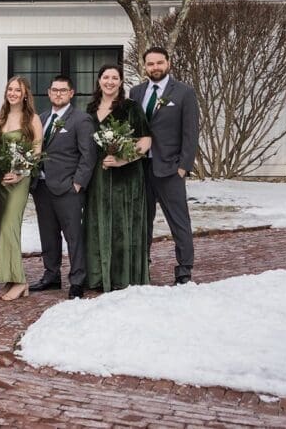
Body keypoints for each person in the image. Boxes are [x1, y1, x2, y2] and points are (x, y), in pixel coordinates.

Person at [129, 47, 199, 285]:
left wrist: (183, 167)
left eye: (159, 63)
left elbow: (191, 133)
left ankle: (184, 269)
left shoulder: (183, 93)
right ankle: (142, 267)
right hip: (140, 169)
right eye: (150, 64)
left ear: (168, 63)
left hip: (170, 168)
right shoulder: (136, 93)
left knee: (179, 221)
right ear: (144, 66)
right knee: (141, 222)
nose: (155, 67)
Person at [29, 75, 98, 300]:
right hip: (41, 186)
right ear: (48, 93)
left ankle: (77, 279)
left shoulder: (81, 119)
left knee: (73, 236)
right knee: (48, 235)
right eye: (54, 90)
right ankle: (51, 275)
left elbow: (88, 155)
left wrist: (78, 183)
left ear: (71, 93)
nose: (58, 94)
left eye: (63, 90)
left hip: (68, 187)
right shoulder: (41, 118)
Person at [85, 65, 152, 292]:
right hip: (98, 175)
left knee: (123, 225)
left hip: (127, 176)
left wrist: (124, 159)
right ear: (99, 80)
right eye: (106, 77)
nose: (110, 81)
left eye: (115, 78)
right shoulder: (89, 109)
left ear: (121, 82)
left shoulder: (131, 108)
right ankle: (98, 276)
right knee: (97, 223)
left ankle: (124, 276)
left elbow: (145, 140)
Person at [0, 76, 43, 301]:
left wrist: (21, 171)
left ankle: (21, 281)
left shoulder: (33, 119)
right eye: (10, 89)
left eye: (17, 90)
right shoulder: (0, 116)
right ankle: (11, 278)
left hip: (19, 181)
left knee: (9, 227)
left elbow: (37, 150)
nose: (12, 93)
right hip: (0, 180)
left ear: (25, 94)